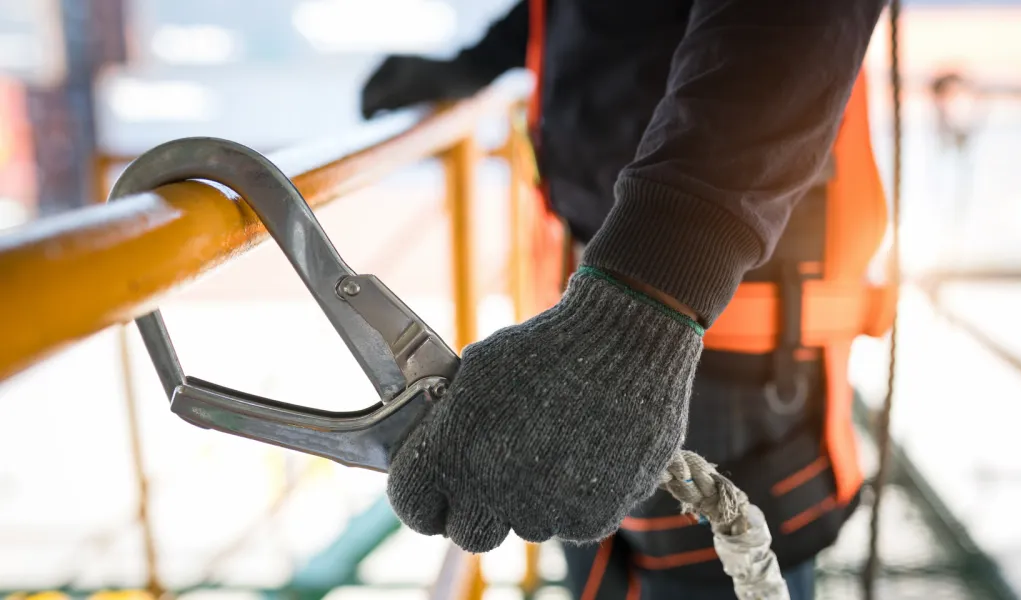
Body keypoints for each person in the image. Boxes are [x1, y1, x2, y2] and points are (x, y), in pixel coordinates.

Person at [361, 0, 891, 598]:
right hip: (606, 308)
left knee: (701, 575)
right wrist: (480, 61)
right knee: (599, 566)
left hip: (704, 331)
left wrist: (649, 298)